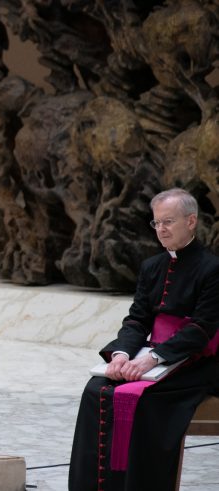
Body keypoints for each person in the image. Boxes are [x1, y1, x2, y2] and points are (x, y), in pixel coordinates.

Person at [69, 188, 219, 490]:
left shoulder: (213, 269)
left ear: (191, 221)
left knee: (144, 400)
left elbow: (201, 329)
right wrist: (122, 355)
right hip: (155, 357)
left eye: (168, 222)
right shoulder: (152, 267)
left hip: (199, 360)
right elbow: (137, 320)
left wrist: (153, 359)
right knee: (96, 389)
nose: (161, 229)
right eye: (156, 223)